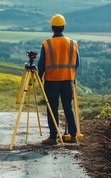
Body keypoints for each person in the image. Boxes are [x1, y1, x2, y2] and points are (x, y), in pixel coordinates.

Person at [37, 14, 80, 145]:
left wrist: (39, 78)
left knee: (52, 109)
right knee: (68, 107)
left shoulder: (47, 44)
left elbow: (41, 65)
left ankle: (53, 137)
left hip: (51, 81)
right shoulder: (73, 43)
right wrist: (69, 73)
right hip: (67, 80)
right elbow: (77, 62)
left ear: (52, 28)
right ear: (64, 27)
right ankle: (73, 136)